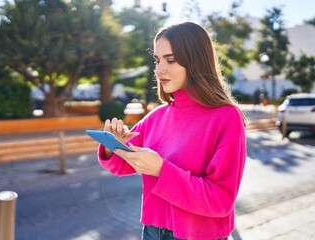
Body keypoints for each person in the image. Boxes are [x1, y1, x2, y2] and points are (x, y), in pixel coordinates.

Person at [97, 21, 247, 240]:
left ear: (196, 61)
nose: (159, 70)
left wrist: (161, 170)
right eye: (157, 60)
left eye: (171, 60)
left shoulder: (226, 118)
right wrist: (113, 144)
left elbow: (221, 201)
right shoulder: (157, 116)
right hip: (151, 232)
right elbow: (122, 165)